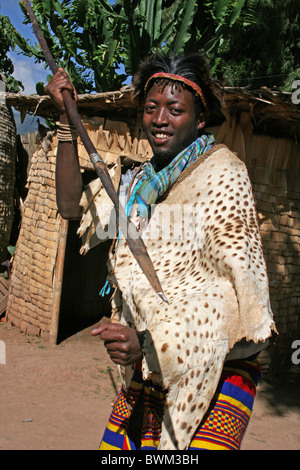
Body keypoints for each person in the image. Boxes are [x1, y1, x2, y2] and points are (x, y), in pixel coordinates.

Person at [45, 52, 276, 450]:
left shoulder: (223, 177)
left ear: (200, 118)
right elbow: (70, 208)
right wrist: (67, 121)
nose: (160, 119)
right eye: (151, 108)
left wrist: (155, 342)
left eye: (175, 109)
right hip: (149, 366)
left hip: (220, 368)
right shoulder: (137, 187)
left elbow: (241, 309)